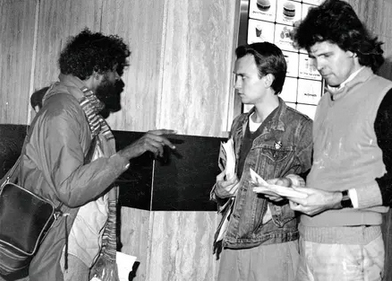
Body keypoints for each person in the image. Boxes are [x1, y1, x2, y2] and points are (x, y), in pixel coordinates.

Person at [7, 28, 176, 281]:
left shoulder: (85, 115)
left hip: (78, 245)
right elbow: (71, 189)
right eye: (116, 70)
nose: (119, 79)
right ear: (97, 70)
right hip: (64, 247)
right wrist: (129, 152)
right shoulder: (62, 112)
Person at [287, 0, 392, 281]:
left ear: (352, 48)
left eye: (326, 55)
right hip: (309, 238)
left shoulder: (389, 100)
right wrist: (294, 182)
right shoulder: (326, 101)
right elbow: (326, 167)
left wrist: (336, 200)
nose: (318, 66)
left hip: (352, 245)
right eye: (313, 57)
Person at [211, 42, 313, 280]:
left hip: (272, 244)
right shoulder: (238, 124)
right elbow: (225, 181)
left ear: (268, 80)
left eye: (243, 77)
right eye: (236, 77)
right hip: (232, 242)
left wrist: (288, 188)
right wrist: (221, 190)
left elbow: (320, 185)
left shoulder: (300, 128)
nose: (236, 84)